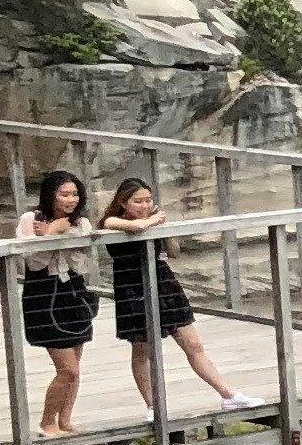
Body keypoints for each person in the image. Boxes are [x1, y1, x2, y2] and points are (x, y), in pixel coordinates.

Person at [100, 175, 237, 415]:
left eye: (148, 200)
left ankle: (228, 394)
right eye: (138, 201)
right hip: (132, 286)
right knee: (142, 349)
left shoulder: (154, 221)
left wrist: (164, 228)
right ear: (124, 202)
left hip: (162, 280)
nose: (144, 205)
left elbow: (173, 252)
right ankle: (153, 405)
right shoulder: (112, 221)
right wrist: (152, 219)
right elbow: (137, 227)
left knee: (193, 343)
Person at [16, 167, 99, 435]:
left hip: (73, 292)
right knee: (68, 370)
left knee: (77, 363)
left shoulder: (82, 223)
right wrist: (54, 232)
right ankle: (46, 421)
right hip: (43, 293)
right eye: (64, 194)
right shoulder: (30, 218)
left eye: (74, 194)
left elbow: (82, 262)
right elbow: (33, 260)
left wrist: (59, 231)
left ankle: (65, 420)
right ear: (51, 195)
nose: (70, 199)